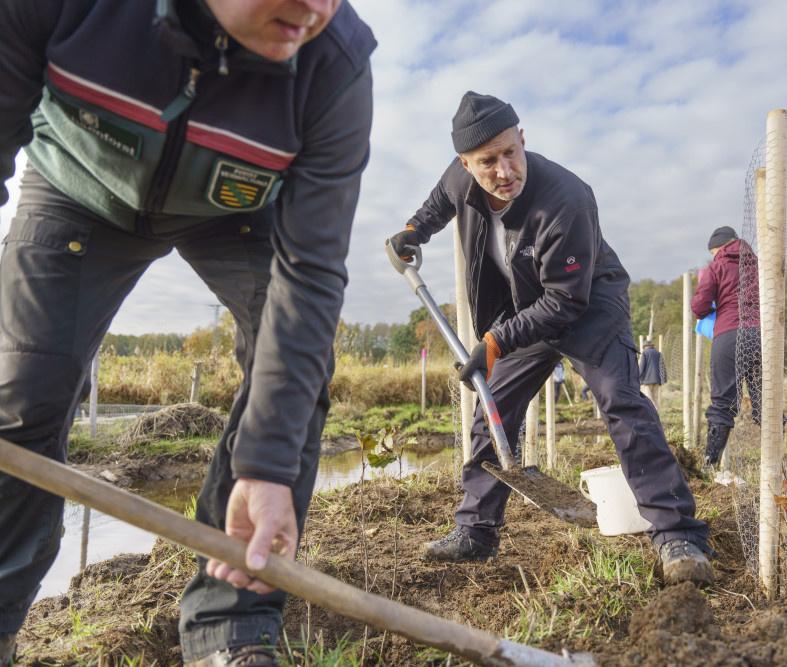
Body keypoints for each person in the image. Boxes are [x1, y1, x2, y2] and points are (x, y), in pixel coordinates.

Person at [0, 2, 375, 665]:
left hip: (237, 212)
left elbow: (311, 275)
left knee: (291, 378)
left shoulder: (335, 69)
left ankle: (231, 625)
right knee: (23, 389)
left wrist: (267, 465)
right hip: (76, 187)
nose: (315, 8)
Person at [387, 91, 714, 586]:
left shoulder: (567, 198)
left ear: (523, 138)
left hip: (587, 308)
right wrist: (414, 230)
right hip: (523, 310)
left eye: (509, 152)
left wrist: (496, 341)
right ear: (465, 163)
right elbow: (440, 201)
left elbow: (564, 301)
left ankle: (676, 533)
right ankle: (476, 530)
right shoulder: (461, 178)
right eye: (487, 162)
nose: (503, 171)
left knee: (621, 403)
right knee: (492, 409)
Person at [690, 226, 763, 467]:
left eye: (714, 251)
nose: (714, 256)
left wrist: (713, 308)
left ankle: (710, 466)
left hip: (730, 333)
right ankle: (776, 462)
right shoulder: (761, 266)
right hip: (763, 336)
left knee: (723, 401)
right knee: (766, 400)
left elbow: (699, 307)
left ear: (721, 248)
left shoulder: (717, 267)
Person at [638, 341, 666, 409]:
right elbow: (662, 367)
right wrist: (664, 379)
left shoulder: (645, 353)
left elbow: (642, 366)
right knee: (656, 397)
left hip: (647, 380)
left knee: (648, 397)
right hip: (657, 379)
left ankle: (650, 413)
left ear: (645, 347)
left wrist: (638, 377)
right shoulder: (658, 353)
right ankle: (657, 413)